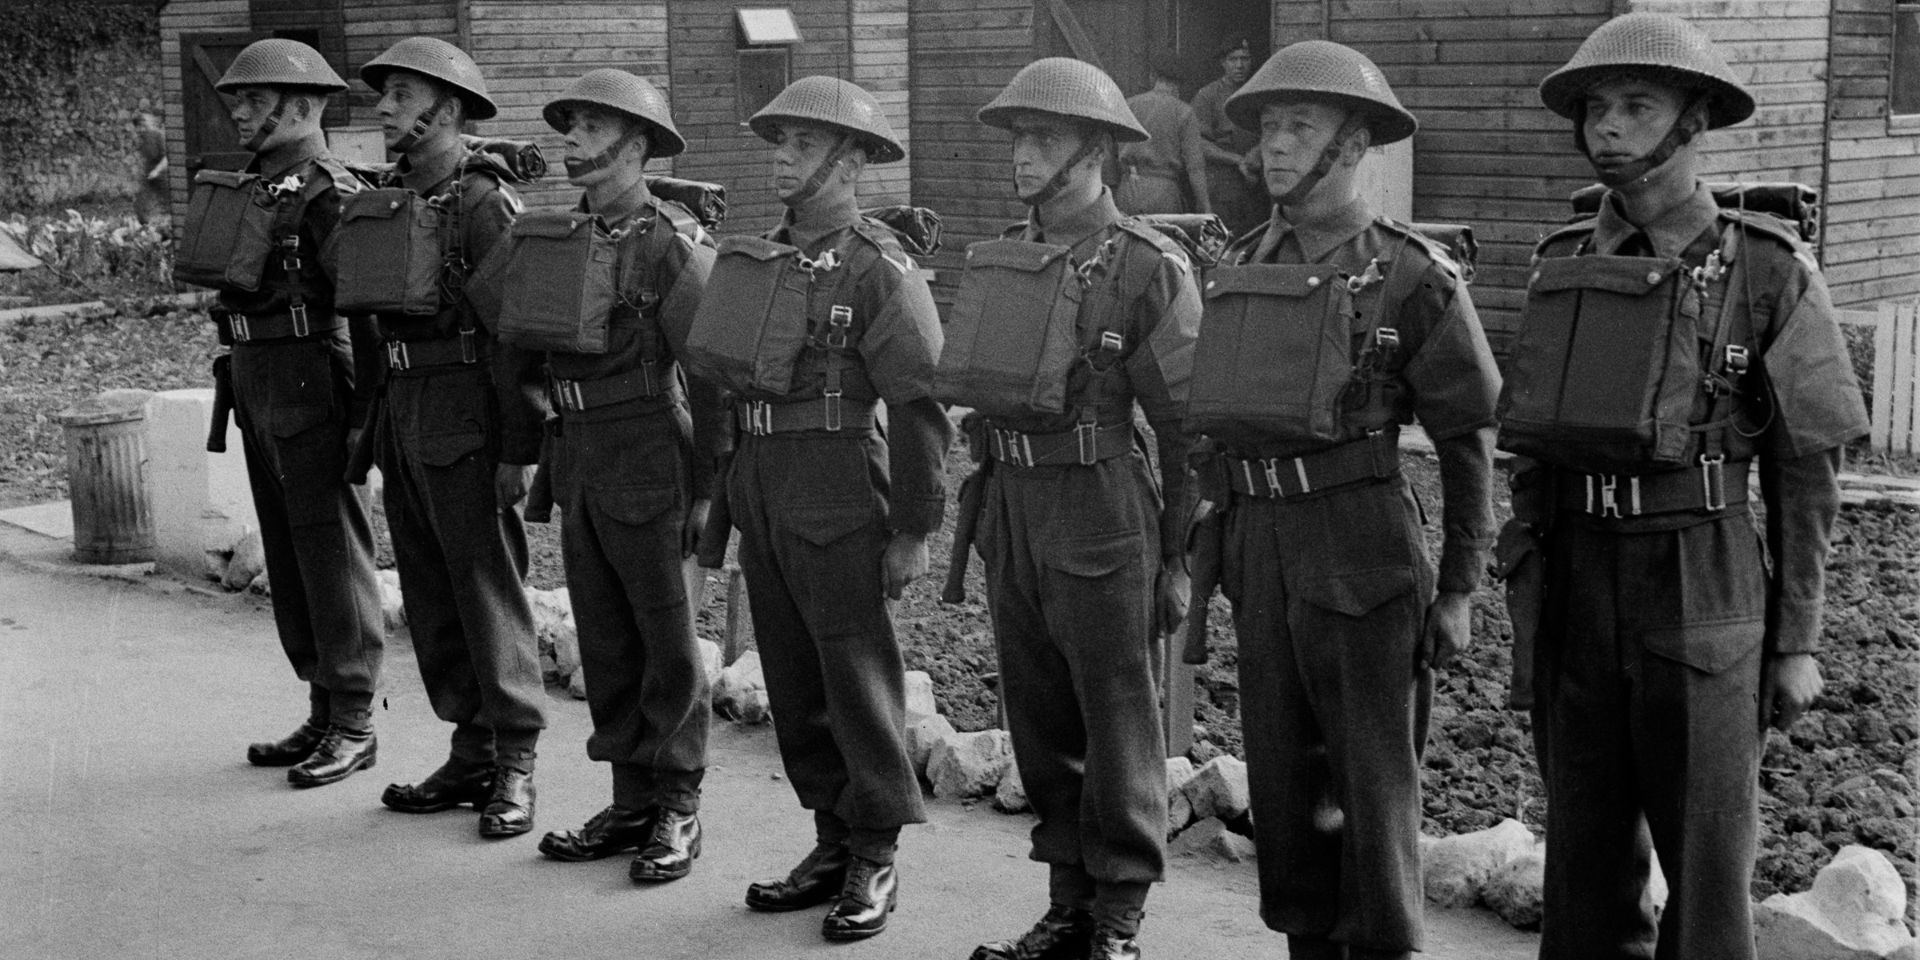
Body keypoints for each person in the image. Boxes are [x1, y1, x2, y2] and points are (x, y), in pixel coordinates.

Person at [1501, 14, 1870, 959]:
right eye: (1595, 109)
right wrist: (1530, 610)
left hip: (1702, 585)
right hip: (1578, 586)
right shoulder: (1560, 264)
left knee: (1706, 880)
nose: (1608, 127)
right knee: (1580, 873)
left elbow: (1807, 472)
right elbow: (1533, 456)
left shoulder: (1766, 270)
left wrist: (1794, 641)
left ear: (1693, 119)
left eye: (1638, 106)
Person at [1186, 41, 1500, 960]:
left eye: (1300, 127)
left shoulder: (1410, 274)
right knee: (1284, 789)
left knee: (1372, 786)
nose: (1275, 147)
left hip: (1360, 542)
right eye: (1269, 127)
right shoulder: (1239, 261)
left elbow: (1467, 437)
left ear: (1354, 142)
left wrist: (1459, 588)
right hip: (1262, 544)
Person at [680, 76, 948, 942]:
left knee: (853, 677)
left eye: (802, 142)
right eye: (779, 140)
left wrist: (911, 529)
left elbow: (917, 409)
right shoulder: (756, 257)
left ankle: (875, 849)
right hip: (762, 478)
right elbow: (718, 384)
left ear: (854, 158)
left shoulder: (880, 268)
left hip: (838, 482)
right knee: (795, 681)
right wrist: (722, 503)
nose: (782, 156)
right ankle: (830, 838)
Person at [944, 57, 1199, 960]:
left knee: (1117, 719)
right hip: (1013, 506)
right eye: (1018, 137)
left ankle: (1119, 919)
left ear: (1097, 150)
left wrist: (1174, 560)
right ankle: (1068, 907)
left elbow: (1184, 433)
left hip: (1102, 510)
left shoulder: (1145, 267)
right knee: (1041, 721)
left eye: (1045, 137)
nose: (1023, 154)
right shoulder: (1008, 258)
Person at [476, 68, 720, 882]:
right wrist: (522, 446)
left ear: (639, 145)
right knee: (606, 638)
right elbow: (508, 344)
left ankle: (679, 806)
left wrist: (712, 490)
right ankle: (630, 798)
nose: (571, 142)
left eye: (588, 128)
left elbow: (714, 376)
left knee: (667, 640)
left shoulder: (671, 246)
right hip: (576, 449)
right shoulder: (543, 237)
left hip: (651, 446)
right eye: (569, 126)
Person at [335, 36, 547, 840]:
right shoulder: (385, 196)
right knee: (429, 592)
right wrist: (368, 422)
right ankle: (472, 751)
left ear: (448, 110)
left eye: (399, 96)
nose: (383, 110)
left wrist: (517, 449)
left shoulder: (483, 203)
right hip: (403, 412)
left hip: (467, 411)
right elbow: (363, 316)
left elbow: (517, 337)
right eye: (382, 95)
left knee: (486, 588)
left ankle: (516, 758)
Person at [172, 39, 383, 788]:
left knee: (329, 548)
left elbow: (364, 308)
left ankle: (356, 717)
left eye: (255, 100)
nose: (239, 111)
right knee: (292, 556)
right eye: (236, 99)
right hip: (257, 375)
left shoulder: (328, 191)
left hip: (310, 377)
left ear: (304, 107)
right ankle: (324, 705)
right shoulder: (257, 184)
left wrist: (365, 412)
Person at [1116, 54, 1210, 216]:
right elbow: (1195, 167)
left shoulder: (1128, 105)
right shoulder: (1184, 112)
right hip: (1164, 192)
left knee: (1126, 239)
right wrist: (1204, 205)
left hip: (1128, 188)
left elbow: (1108, 152)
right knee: (1165, 239)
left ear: (1153, 77)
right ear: (1180, 82)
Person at [1189, 38, 1264, 238]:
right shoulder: (1207, 96)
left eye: (1245, 59)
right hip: (1223, 184)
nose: (1239, 65)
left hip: (1256, 181)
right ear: (1223, 62)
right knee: (1223, 240)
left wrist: (1255, 155)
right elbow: (1198, 143)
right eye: (1233, 59)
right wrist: (1237, 160)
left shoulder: (1259, 92)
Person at [133, 112, 167, 225]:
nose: (141, 129)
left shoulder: (158, 135)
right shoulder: (141, 139)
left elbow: (167, 158)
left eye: (143, 125)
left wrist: (157, 171)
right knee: (140, 205)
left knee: (170, 202)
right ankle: (145, 228)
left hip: (163, 173)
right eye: (138, 126)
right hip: (148, 174)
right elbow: (143, 158)